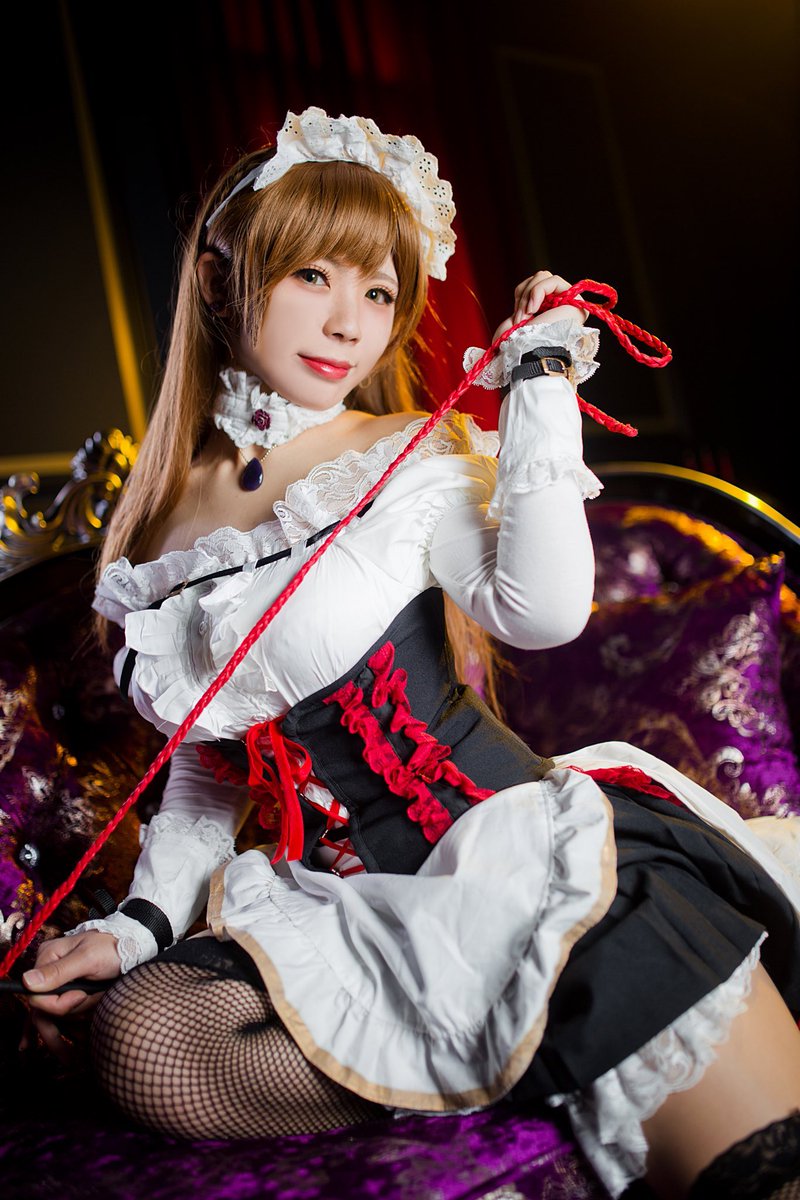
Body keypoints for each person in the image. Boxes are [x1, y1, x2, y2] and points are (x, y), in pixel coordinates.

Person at [19, 107, 800, 1199]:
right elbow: (204, 763)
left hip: (507, 855)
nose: (349, 322)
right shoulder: (158, 529)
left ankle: (522, 1015)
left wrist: (538, 388)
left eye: (379, 292)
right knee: (142, 1037)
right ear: (218, 278)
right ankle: (487, 1048)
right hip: (353, 908)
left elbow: (542, 613)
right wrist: (138, 927)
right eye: (312, 275)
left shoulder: (408, 462)